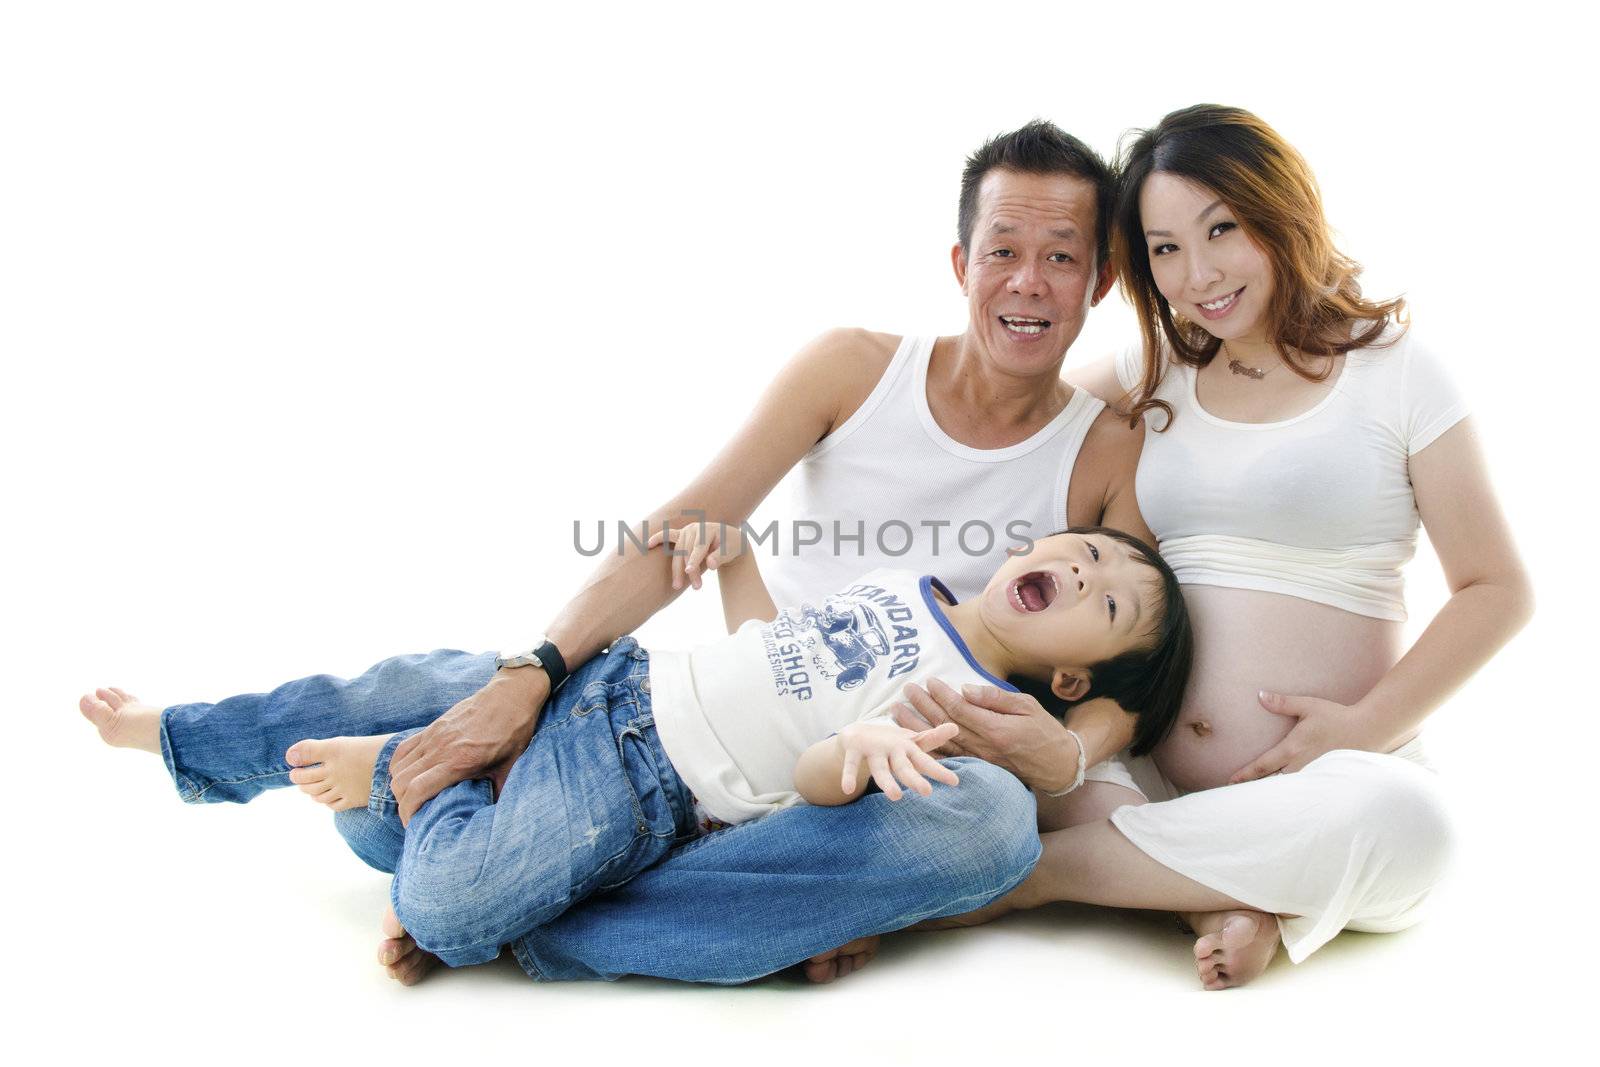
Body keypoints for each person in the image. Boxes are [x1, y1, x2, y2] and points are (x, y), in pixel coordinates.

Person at [317, 119, 1157, 985]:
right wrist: (535, 669)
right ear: (960, 264)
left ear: (1099, 282)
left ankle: (541, 904)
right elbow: (685, 523)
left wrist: (1072, 754)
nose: (1027, 281)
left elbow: (1140, 669)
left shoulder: (1104, 448)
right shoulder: (854, 369)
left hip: (862, 777)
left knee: (994, 825)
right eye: (1002, 250)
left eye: (1061, 257)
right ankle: (733, 905)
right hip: (724, 718)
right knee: (368, 820)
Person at [883, 104, 1534, 989]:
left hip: (1335, 774)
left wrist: (1363, 728)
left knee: (1411, 829)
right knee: (1009, 768)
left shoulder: (1397, 370)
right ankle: (1215, 890)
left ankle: (1039, 877)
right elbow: (1013, 425)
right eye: (1164, 248)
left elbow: (1497, 589)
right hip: (1134, 770)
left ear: (1278, 212)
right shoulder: (1153, 374)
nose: (1198, 274)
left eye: (1220, 229)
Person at [80, 527, 1191, 978]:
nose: (1086, 570)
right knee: (384, 687)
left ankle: (407, 786)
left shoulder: (974, 708)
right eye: (1088, 551)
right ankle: (180, 735)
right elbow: (768, 644)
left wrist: (853, 752)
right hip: (627, 679)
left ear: (1072, 680)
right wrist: (737, 560)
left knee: (429, 879)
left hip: (647, 780)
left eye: (1107, 601)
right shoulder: (912, 586)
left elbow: (804, 779)